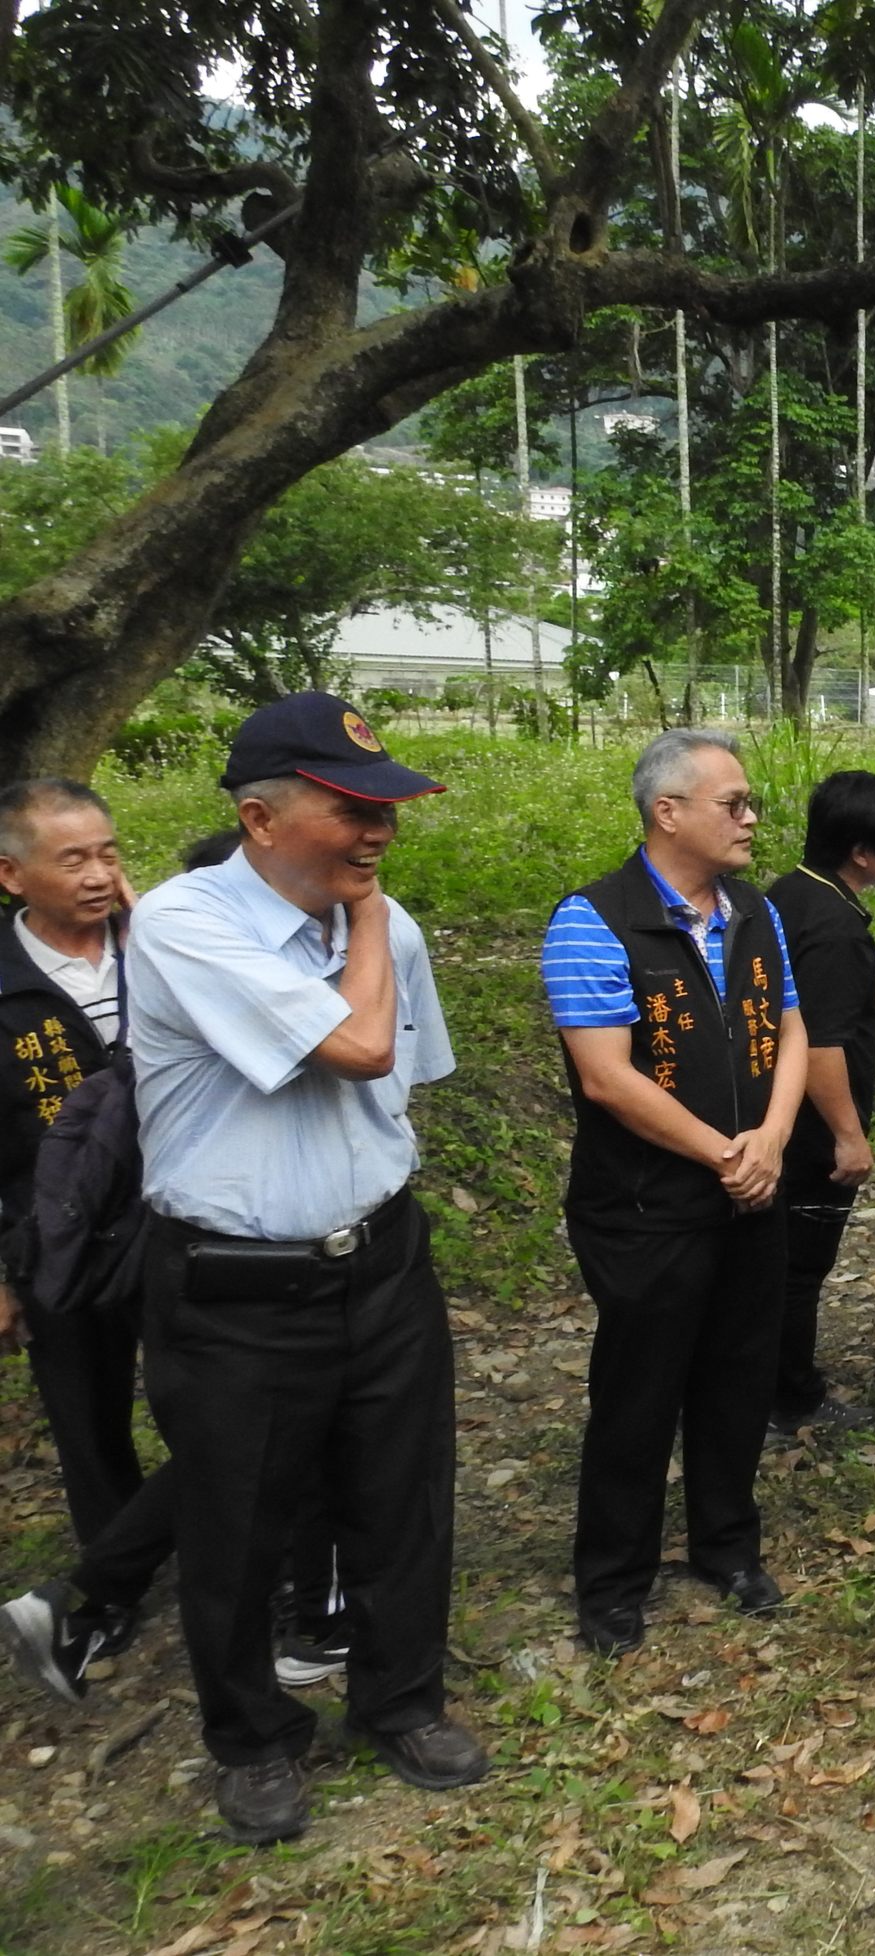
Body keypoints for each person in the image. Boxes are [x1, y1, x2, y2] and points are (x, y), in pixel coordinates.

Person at [121, 693, 486, 1845]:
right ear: (260, 817)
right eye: (350, 809)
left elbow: (401, 1086)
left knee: (402, 1495)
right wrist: (367, 923)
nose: (377, 832)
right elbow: (360, 1047)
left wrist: (373, 921)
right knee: (238, 1522)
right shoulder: (185, 923)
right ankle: (253, 1739)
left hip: (376, 1259)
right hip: (235, 1285)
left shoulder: (391, 925)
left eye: (387, 810)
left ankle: (401, 1699)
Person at [542, 730, 811, 1660]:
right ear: (667, 812)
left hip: (752, 1190)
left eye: (749, 804)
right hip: (649, 1205)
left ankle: (725, 1547)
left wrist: (772, 1138)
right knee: (639, 1390)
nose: (751, 818)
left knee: (739, 1376)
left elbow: (791, 1024)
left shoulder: (753, 911)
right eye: (732, 803)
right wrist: (723, 1154)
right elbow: (610, 1079)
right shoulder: (592, 920)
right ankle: (612, 1579)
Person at [0, 779, 167, 1695]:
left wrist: (158, 943)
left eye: (107, 851)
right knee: (88, 1419)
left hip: (174, 1220)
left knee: (209, 1400)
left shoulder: (162, 950)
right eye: (74, 859)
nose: (101, 874)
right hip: (53, 1240)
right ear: (11, 874)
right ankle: (109, 1594)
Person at [763, 770, 875, 1436]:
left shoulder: (791, 894)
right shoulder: (830, 928)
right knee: (798, 1266)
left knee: (777, 1260)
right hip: (810, 1131)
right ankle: (789, 1395)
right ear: (861, 850)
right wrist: (850, 1136)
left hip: (777, 1115)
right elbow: (821, 1044)